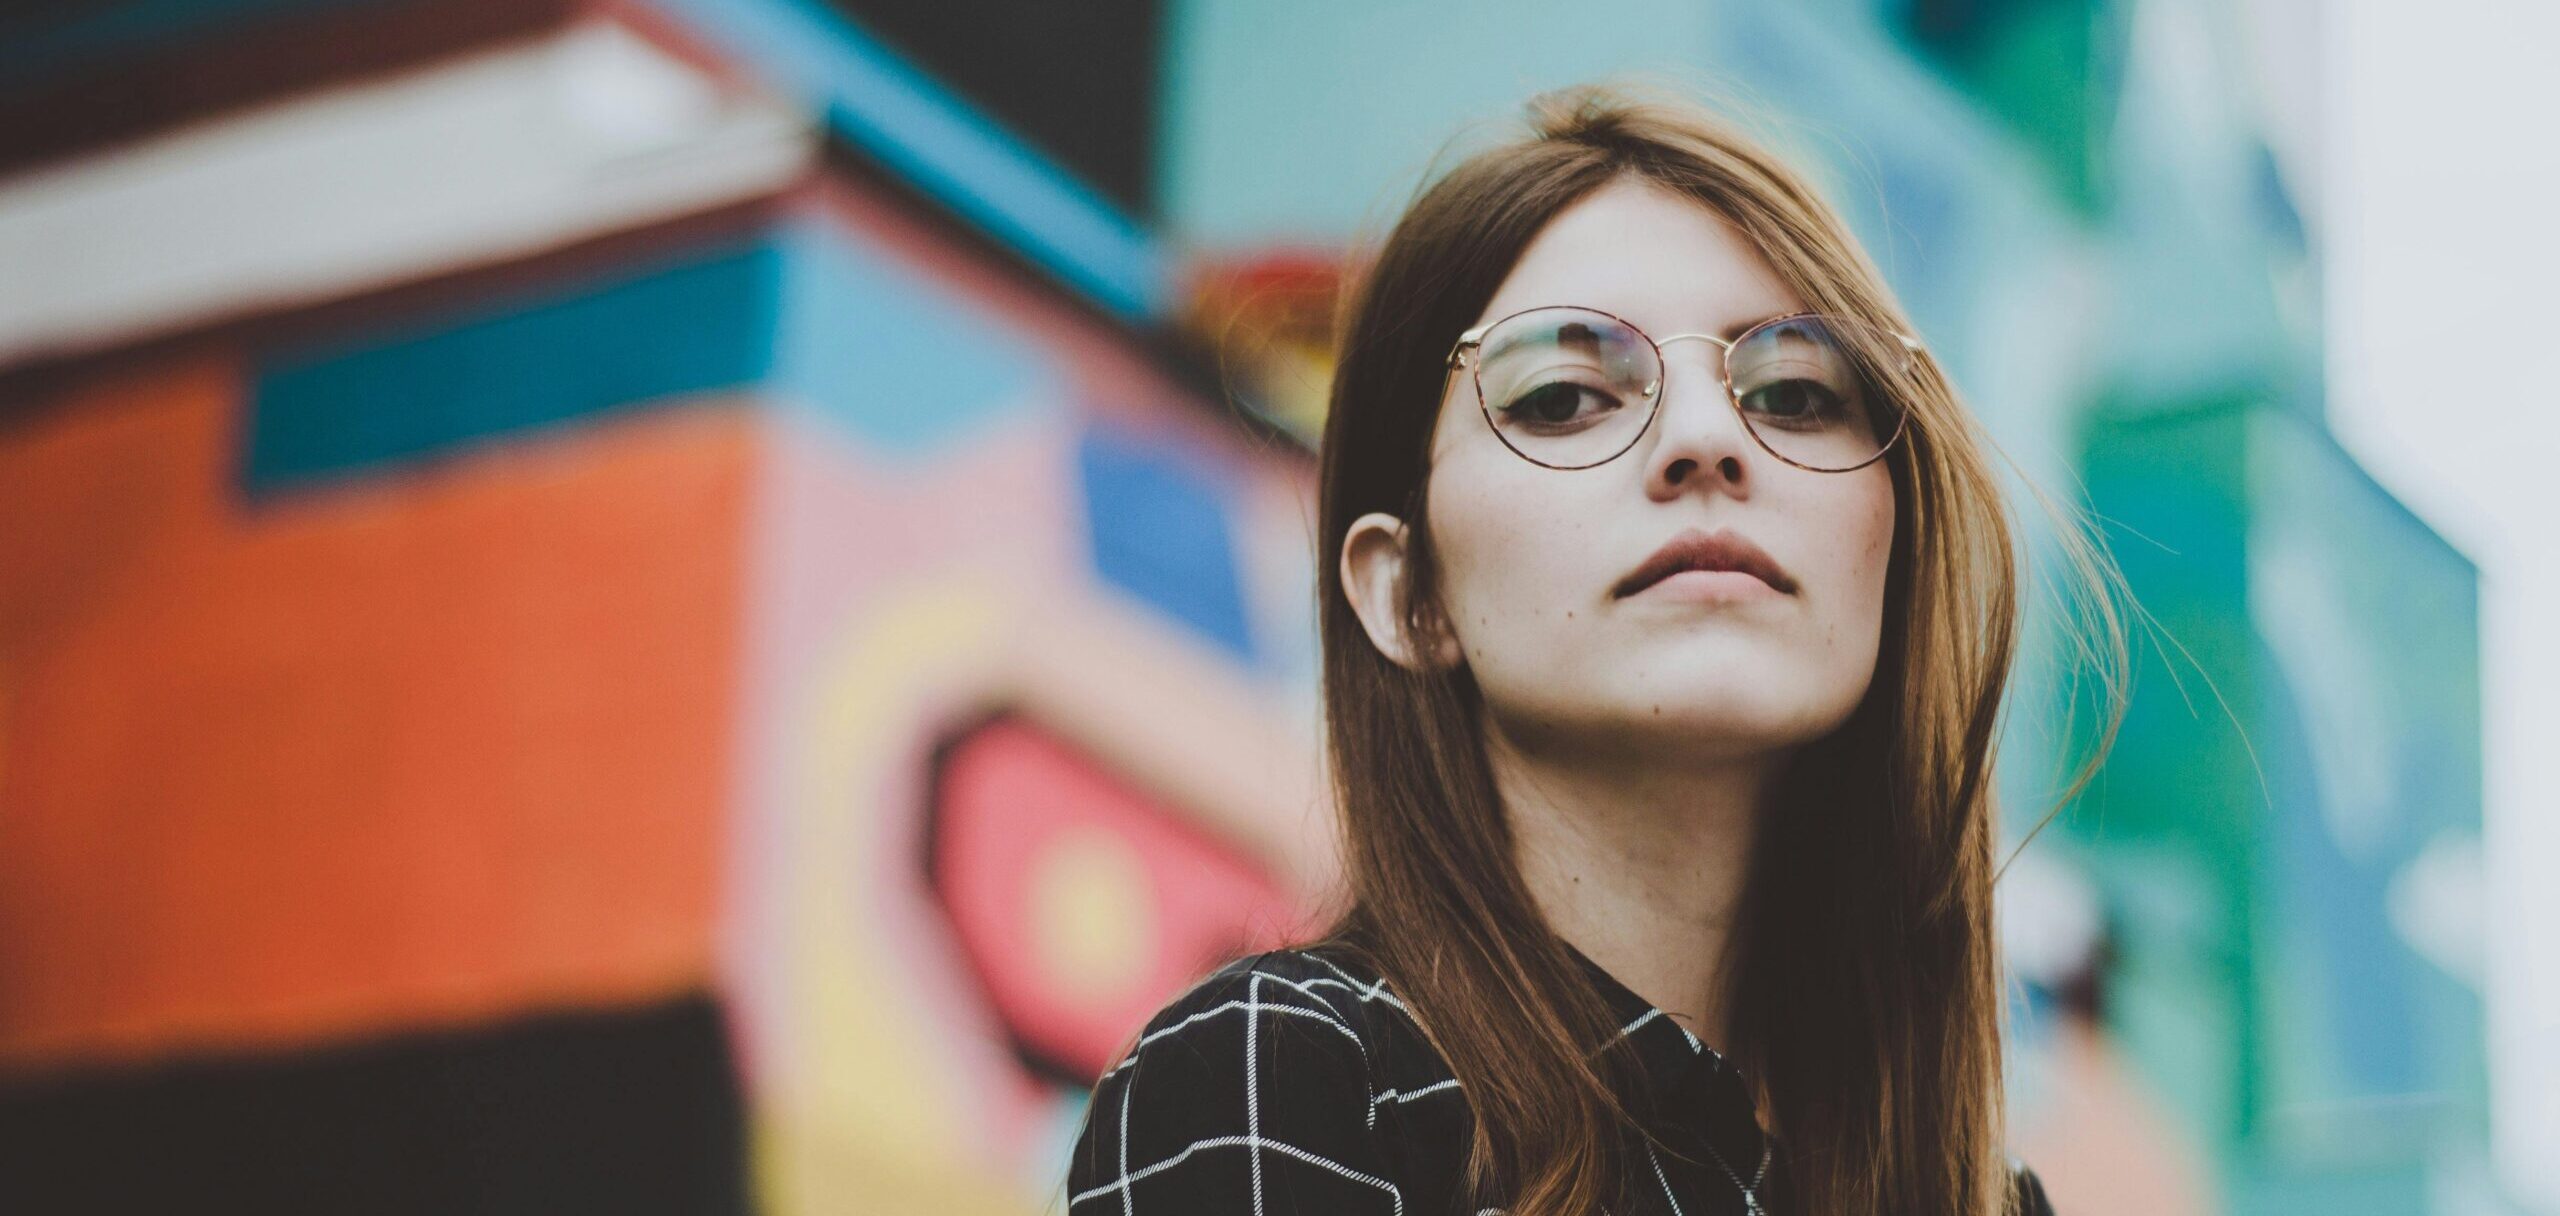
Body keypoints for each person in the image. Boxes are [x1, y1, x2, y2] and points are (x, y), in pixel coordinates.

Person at [1060, 79, 2125, 1216]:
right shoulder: (1286, 1077)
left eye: (1796, 391)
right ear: (1406, 589)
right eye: (1564, 395)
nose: (1708, 438)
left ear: (1891, 544)